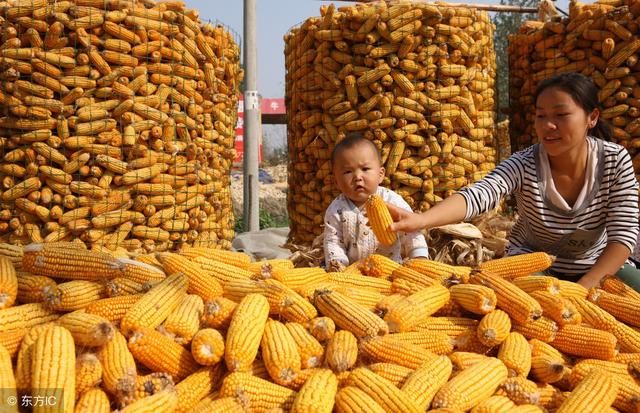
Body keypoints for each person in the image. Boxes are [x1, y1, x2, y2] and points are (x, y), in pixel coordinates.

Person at [388, 72, 640, 289]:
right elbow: (480, 194)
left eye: (561, 115)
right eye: (541, 116)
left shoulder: (614, 160)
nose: (548, 125)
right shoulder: (525, 163)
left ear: (592, 117)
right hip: (531, 262)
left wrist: (585, 286)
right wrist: (422, 219)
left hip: (597, 264)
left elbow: (624, 234)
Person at [324, 133, 428, 270]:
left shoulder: (392, 201)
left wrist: (418, 256)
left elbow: (410, 230)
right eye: (348, 172)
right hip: (354, 274)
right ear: (336, 181)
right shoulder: (336, 210)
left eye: (365, 169)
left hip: (392, 270)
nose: (357, 177)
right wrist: (337, 265)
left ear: (380, 175)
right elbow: (333, 241)